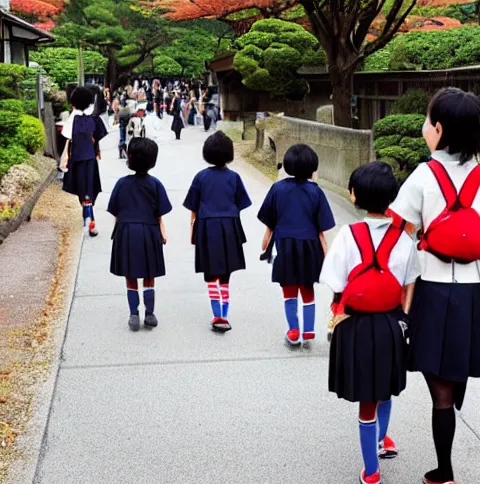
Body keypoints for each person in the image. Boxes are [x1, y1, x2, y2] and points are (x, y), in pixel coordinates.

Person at [388, 87, 480, 484]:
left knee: (439, 390)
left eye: (427, 120)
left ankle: (445, 472)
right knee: (455, 373)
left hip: (430, 290)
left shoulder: (422, 176)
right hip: (471, 294)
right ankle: (453, 393)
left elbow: (398, 237)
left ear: (437, 130)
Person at [320, 162, 420, 484]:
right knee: (386, 388)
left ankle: (372, 471)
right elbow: (409, 284)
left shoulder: (348, 236)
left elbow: (333, 280)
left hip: (357, 326)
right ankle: (381, 440)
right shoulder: (404, 239)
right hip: (391, 324)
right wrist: (401, 318)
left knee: (366, 399)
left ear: (353, 195)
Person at [258, 144, 335, 345]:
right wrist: (326, 252)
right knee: (307, 287)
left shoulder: (277, 188)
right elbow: (321, 229)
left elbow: (270, 223)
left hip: (284, 245)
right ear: (312, 168)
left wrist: (265, 242)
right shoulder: (316, 191)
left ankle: (293, 331)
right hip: (310, 246)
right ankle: (308, 330)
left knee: (289, 288)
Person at [183, 131, 252, 332]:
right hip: (230, 225)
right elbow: (240, 205)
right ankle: (224, 314)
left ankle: (217, 315)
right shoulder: (234, 177)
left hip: (206, 226)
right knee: (226, 273)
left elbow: (193, 208)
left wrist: (192, 229)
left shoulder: (201, 177)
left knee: (211, 271)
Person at [107, 138, 172, 332]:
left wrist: (116, 231)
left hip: (126, 231)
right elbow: (159, 215)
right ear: (153, 160)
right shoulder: (155, 184)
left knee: (130, 274)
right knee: (149, 274)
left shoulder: (121, 183)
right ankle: (150, 313)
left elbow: (116, 212)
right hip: (149, 231)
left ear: (130, 159)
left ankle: (134, 314)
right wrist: (163, 231)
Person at [61, 86, 107, 237]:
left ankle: (88, 218)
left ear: (73, 103)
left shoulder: (72, 120)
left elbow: (67, 138)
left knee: (83, 191)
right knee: (89, 190)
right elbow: (98, 137)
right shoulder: (94, 120)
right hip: (90, 160)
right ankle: (90, 221)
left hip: (77, 160)